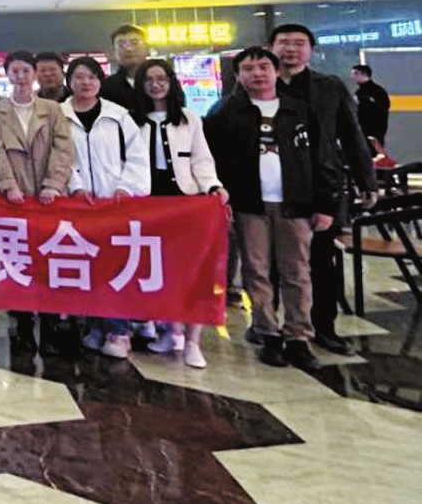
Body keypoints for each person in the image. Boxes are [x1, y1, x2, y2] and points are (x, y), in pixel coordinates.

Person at [205, 47, 338, 370]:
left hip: (296, 203)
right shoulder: (225, 112)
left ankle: (298, 336)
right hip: (249, 204)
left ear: (276, 71)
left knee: (297, 272)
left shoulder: (300, 109)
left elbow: (321, 158)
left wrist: (325, 203)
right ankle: (268, 333)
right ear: (238, 76)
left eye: (264, 67)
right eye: (248, 68)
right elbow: (213, 161)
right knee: (256, 271)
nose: (257, 73)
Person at [272, 24, 376, 356]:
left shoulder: (329, 87)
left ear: (310, 50)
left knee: (321, 260)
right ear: (271, 47)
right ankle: (270, 328)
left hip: (320, 187)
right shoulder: (259, 85)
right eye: (284, 43)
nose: (291, 49)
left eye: (298, 43)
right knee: (272, 262)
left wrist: (366, 180)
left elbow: (352, 134)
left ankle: (324, 327)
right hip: (274, 187)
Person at [131, 58, 228, 369]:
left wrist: (213, 186)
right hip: (149, 203)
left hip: (186, 202)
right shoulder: (131, 121)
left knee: (192, 271)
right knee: (161, 271)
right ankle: (172, 332)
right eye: (149, 80)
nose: (155, 85)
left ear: (171, 82)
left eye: (161, 79)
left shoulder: (189, 118)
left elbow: (202, 160)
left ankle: (193, 340)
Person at [61, 56, 150, 359]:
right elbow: (58, 158)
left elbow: (137, 157)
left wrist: (125, 187)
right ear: (69, 82)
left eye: (91, 77)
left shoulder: (118, 115)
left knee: (115, 267)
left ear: (100, 81)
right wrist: (75, 186)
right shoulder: (58, 115)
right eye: (78, 77)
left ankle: (118, 330)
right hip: (79, 205)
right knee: (85, 266)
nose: (85, 83)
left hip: (115, 204)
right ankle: (95, 326)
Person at [0, 51, 75, 353]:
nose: (21, 76)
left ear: (34, 74)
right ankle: (22, 325)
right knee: (19, 260)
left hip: (48, 197)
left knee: (50, 259)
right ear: (7, 74)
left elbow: (63, 149)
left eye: (26, 70)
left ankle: (50, 324)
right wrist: (8, 185)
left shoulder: (52, 109)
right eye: (15, 71)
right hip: (14, 198)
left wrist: (54, 184)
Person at [100, 25, 148, 107]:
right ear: (113, 52)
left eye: (134, 43)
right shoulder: (104, 88)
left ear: (147, 48)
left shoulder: (162, 83)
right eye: (121, 45)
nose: (128, 49)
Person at [351, 64, 390, 150]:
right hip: (361, 133)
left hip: (374, 133)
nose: (353, 77)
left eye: (355, 73)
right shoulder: (358, 92)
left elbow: (383, 110)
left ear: (364, 74)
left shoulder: (378, 92)